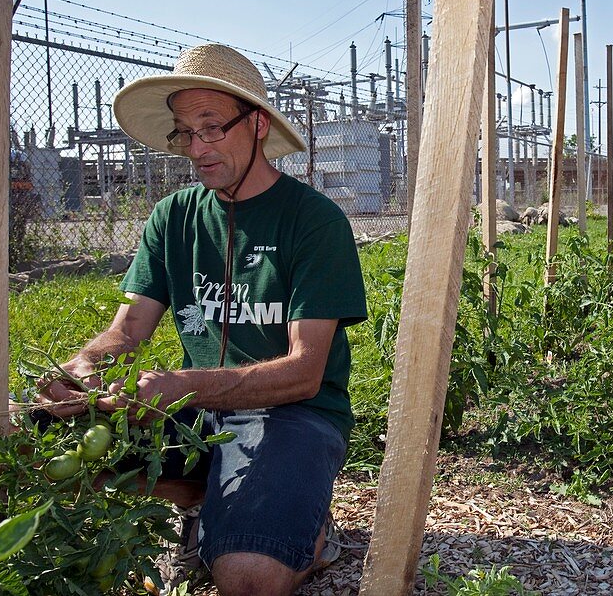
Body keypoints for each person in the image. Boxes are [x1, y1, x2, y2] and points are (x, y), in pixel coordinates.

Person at [35, 43, 367, 596]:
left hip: (293, 415)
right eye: (185, 133)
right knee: (35, 438)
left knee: (248, 578)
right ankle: (204, 498)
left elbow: (305, 372)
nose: (196, 148)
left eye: (211, 128)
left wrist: (185, 387)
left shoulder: (312, 220)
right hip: (199, 414)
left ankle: (300, 531)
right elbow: (127, 330)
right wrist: (84, 367)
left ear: (258, 124)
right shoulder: (174, 217)